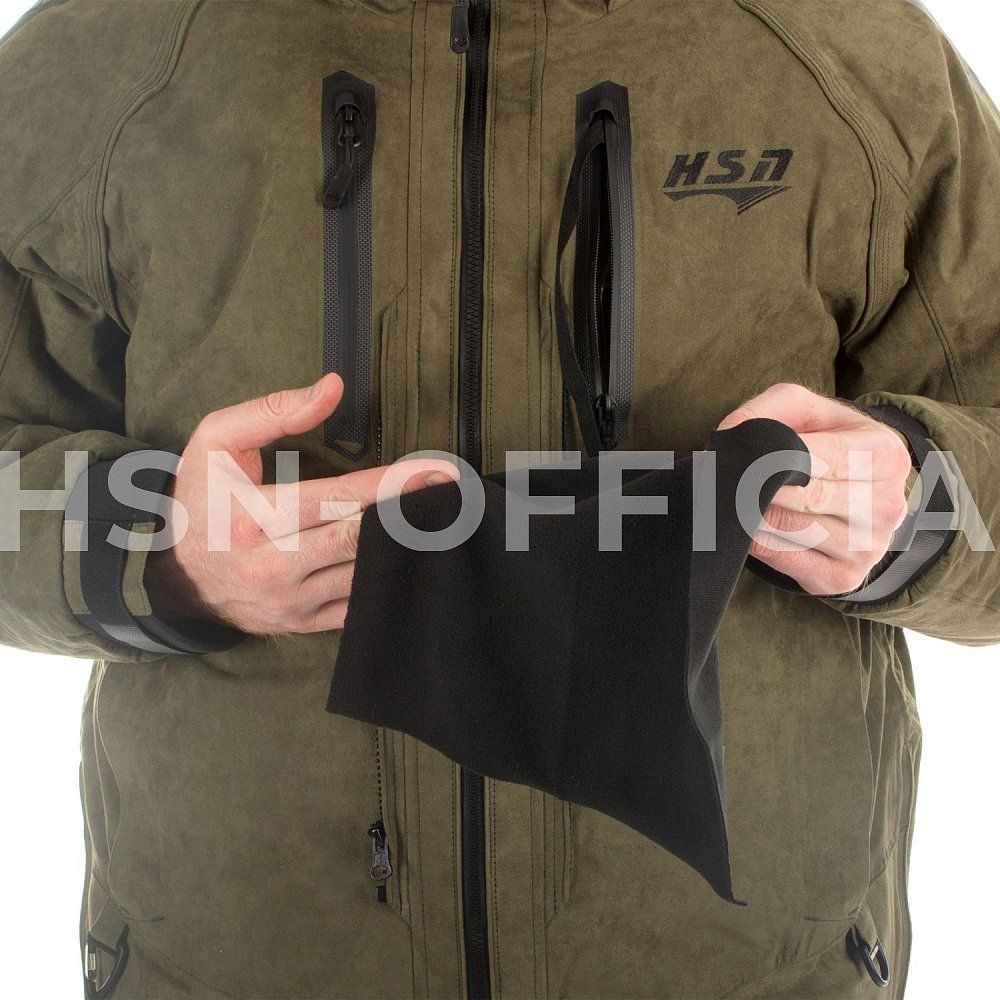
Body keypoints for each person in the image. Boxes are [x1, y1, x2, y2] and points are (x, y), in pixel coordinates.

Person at [0, 1, 996, 997]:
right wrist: (155, 548)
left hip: (750, 968)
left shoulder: (849, 53)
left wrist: (922, 508)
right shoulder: (110, 52)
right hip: (239, 958)